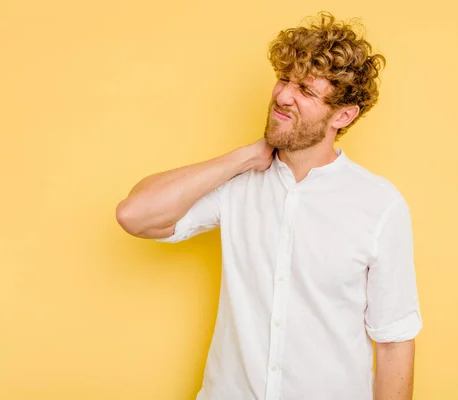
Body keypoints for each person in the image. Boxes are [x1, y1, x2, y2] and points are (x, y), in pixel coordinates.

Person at [116, 11, 422, 400]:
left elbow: (395, 340)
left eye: (306, 91)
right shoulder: (237, 184)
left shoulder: (379, 205)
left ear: (343, 115)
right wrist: (243, 158)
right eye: (284, 79)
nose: (282, 95)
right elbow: (134, 215)